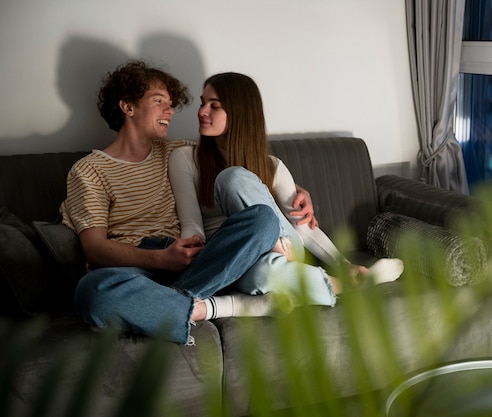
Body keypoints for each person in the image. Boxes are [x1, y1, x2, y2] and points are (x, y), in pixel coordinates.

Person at [60, 61, 318, 345]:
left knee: (263, 219)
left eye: (171, 104)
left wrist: (294, 190)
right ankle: (224, 305)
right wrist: (161, 259)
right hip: (136, 267)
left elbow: (241, 163)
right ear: (127, 107)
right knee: (92, 292)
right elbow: (94, 249)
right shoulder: (89, 170)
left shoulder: (178, 151)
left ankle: (170, 304)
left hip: (198, 262)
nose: (169, 111)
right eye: (159, 102)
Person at [169, 72, 404, 308]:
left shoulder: (272, 165)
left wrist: (343, 262)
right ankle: (351, 284)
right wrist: (196, 258)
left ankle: (283, 250)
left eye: (214, 106)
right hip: (233, 255)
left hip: (285, 244)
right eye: (203, 103)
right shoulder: (185, 158)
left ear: (239, 112)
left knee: (232, 178)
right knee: (262, 275)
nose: (201, 111)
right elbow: (192, 224)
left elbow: (304, 226)